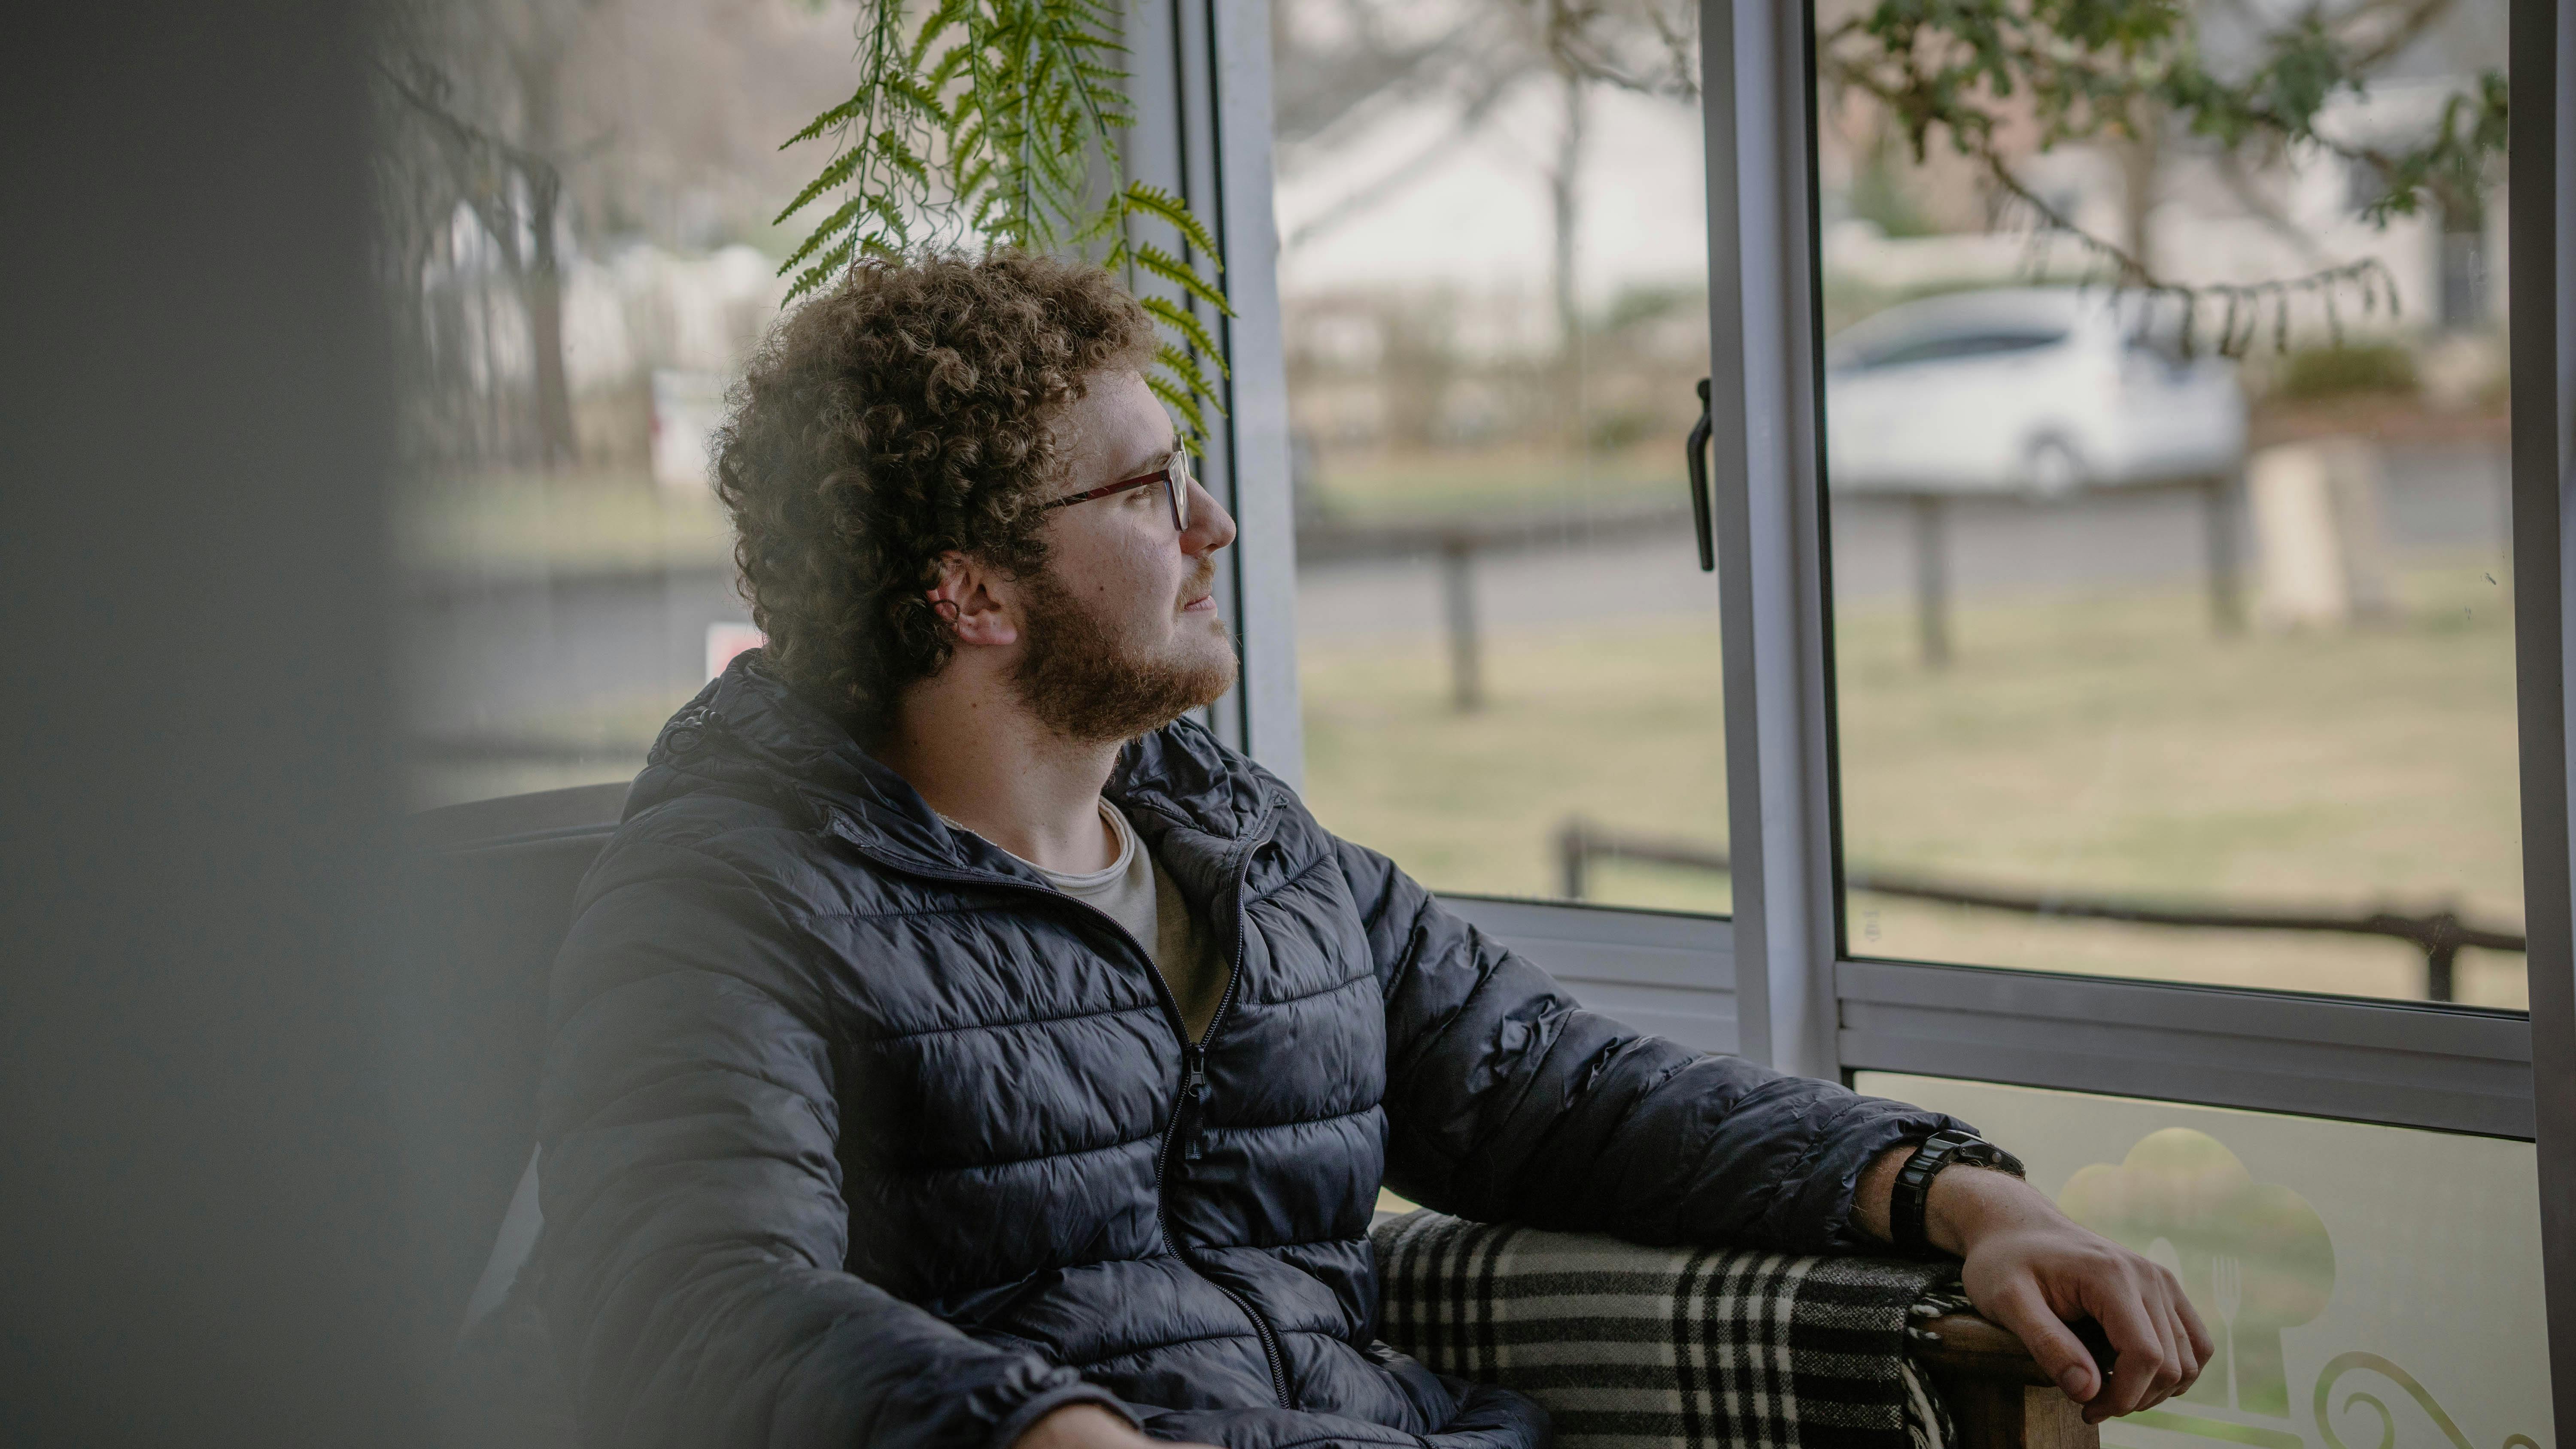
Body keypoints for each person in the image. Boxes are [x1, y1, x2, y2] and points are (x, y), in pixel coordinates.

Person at [530, 251, 2208, 1449]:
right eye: (1148, 490)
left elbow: (1565, 1091)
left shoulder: (1240, 840)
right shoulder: (733, 898)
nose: (1216, 526)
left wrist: (1966, 1192)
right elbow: (690, 1295)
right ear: (970, 590)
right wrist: (1051, 1429)